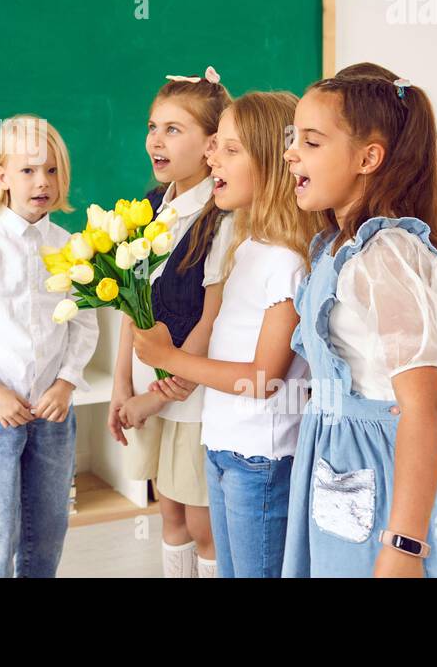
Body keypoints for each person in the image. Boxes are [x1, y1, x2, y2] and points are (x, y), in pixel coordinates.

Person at [280, 73, 437, 577]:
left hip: (387, 472)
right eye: (292, 138)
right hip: (341, 458)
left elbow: (423, 407)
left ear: (368, 159)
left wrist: (404, 543)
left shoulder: (384, 257)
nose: (292, 153)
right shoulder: (337, 247)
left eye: (311, 141)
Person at [135, 91, 323, 577]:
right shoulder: (246, 246)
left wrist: (170, 358)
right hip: (224, 446)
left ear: (273, 162)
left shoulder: (286, 262)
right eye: (215, 145)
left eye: (230, 149)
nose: (212, 157)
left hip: (260, 460)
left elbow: (264, 379)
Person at [0, 115, 99, 577]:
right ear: (1, 176)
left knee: (48, 528)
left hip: (53, 412)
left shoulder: (70, 246)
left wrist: (67, 383)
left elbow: (84, 324)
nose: (41, 182)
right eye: (27, 170)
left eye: (51, 171)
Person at [110, 66, 231, 578]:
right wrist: (120, 386)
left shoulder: (222, 218)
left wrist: (150, 398)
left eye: (174, 130)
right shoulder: (149, 207)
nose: (155, 141)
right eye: (152, 127)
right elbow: (129, 305)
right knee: (170, 516)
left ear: (211, 145)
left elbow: (206, 332)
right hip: (144, 393)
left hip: (190, 400)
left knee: (203, 527)